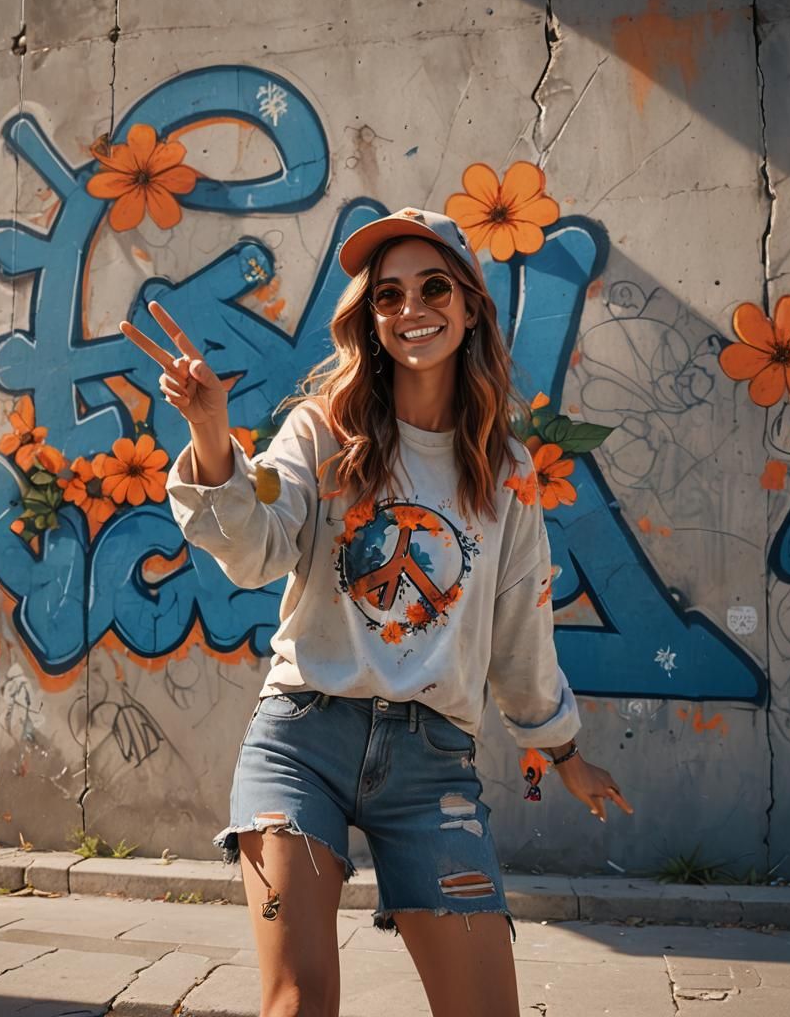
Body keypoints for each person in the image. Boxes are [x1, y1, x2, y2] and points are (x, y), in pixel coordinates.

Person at [119, 208, 633, 1016]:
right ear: (370, 317)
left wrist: (562, 748)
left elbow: (520, 631)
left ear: (468, 307)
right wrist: (212, 434)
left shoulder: (506, 471)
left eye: (433, 288)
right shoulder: (324, 433)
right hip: (301, 742)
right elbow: (256, 547)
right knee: (299, 1003)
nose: (410, 309)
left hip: (432, 767)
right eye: (387, 295)